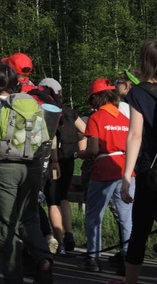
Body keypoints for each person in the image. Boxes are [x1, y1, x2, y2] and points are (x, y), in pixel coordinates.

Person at [0, 62, 53, 284]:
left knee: (5, 223)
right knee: (29, 218)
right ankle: (43, 257)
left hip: (4, 168)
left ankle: (13, 277)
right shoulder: (31, 103)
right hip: (32, 168)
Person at [77, 78, 134, 273]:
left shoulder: (96, 118)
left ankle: (93, 258)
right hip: (126, 170)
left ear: (96, 98)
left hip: (104, 169)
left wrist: (79, 154)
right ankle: (128, 258)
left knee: (94, 216)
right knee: (127, 218)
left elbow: (92, 149)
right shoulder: (126, 119)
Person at [113, 39, 157, 284]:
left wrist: (127, 176)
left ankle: (130, 281)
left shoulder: (139, 93)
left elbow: (135, 135)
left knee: (140, 230)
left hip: (151, 169)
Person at [33, 78, 85, 255]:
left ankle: (59, 241)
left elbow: (51, 137)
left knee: (52, 201)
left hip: (54, 162)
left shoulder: (49, 111)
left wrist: (54, 160)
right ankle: (69, 234)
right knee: (64, 198)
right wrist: (79, 150)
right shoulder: (70, 112)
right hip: (69, 160)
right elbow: (86, 131)